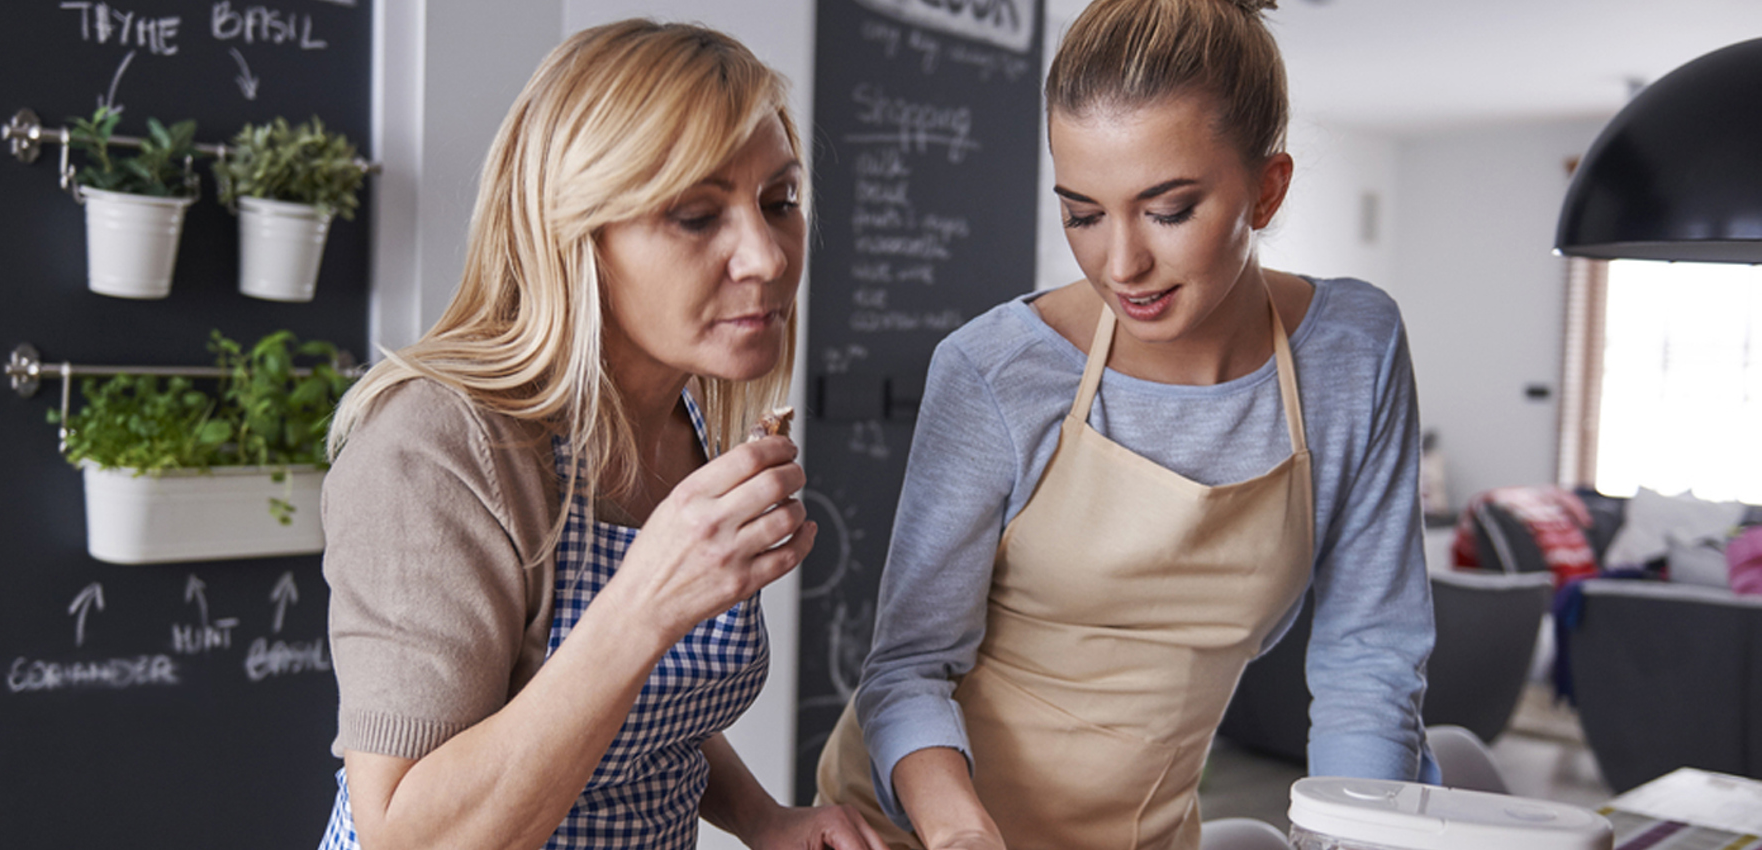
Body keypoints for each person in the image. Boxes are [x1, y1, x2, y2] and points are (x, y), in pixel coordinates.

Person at [815, 1, 1440, 848]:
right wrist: (960, 835)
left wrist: (1359, 839)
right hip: (927, 829)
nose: (1121, 264)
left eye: (1169, 210)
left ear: (1268, 186)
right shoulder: (997, 370)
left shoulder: (1352, 354)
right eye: (1082, 214)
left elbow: (1369, 661)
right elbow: (907, 670)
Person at [316, 20, 887, 850]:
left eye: (780, 202)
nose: (766, 256)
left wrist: (764, 818)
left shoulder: (690, 412)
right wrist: (648, 599)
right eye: (697, 215)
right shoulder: (435, 449)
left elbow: (642, 713)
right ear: (574, 235)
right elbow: (406, 834)